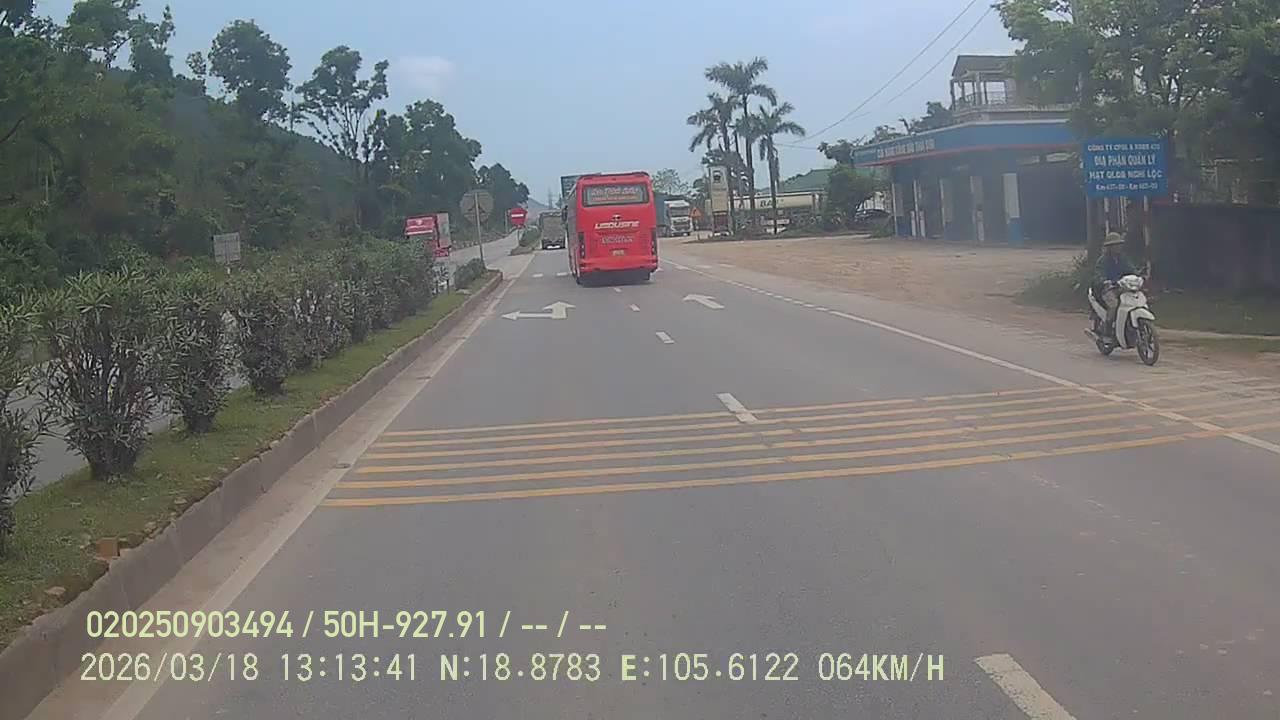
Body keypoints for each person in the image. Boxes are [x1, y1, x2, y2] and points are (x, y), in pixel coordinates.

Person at [1094, 232, 1136, 334]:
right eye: (1115, 245)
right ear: (1109, 247)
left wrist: (1138, 275)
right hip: (1108, 289)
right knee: (1114, 305)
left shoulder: (1123, 258)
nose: (1118, 247)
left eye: (1119, 244)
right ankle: (1107, 329)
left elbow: (1131, 269)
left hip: (1122, 286)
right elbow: (1099, 274)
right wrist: (1104, 281)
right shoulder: (1102, 260)